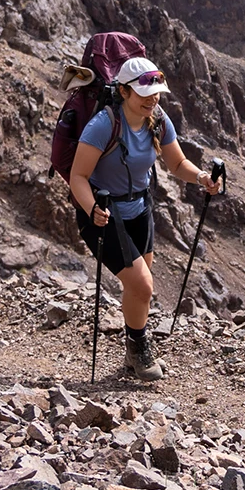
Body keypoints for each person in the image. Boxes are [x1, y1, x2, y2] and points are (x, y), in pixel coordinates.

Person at [67, 56, 222, 381]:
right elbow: (77, 176)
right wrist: (92, 208)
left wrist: (202, 178)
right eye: (145, 94)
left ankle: (131, 352)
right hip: (102, 214)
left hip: (139, 208)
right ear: (124, 91)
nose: (153, 100)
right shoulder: (103, 125)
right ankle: (138, 349)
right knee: (142, 284)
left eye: (156, 94)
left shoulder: (158, 119)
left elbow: (177, 164)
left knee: (139, 286)